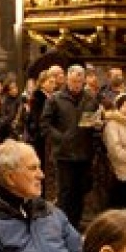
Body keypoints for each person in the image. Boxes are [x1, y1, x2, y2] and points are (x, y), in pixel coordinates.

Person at [40, 65, 100, 228]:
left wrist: (97, 128)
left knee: (81, 191)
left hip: (84, 153)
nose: (76, 84)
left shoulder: (90, 99)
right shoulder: (55, 99)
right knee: (66, 193)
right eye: (73, 81)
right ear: (67, 79)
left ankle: (76, 223)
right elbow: (45, 125)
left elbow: (94, 122)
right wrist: (60, 137)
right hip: (64, 154)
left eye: (79, 81)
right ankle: (63, 225)